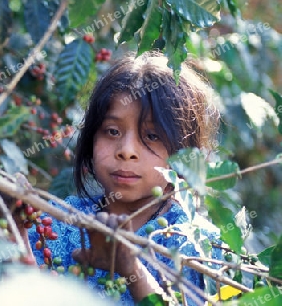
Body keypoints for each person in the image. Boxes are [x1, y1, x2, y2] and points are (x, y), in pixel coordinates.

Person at [22, 51, 223, 305]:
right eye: (112, 131)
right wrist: (15, 230)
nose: (126, 150)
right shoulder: (57, 223)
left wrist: (133, 270)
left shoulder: (200, 250)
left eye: (152, 136)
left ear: (185, 152)